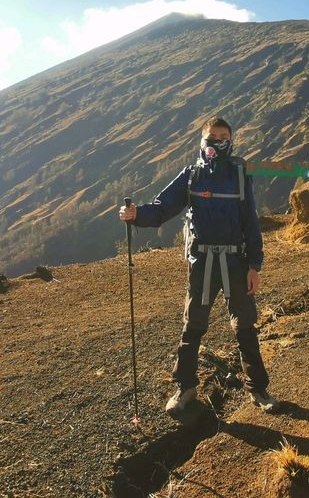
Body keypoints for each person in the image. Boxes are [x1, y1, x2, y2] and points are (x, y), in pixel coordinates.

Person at [119, 116, 278, 415]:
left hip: (236, 261)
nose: (216, 142)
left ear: (230, 142)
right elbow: (162, 207)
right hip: (202, 261)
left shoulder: (241, 176)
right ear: (202, 141)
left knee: (245, 325)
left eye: (222, 136)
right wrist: (136, 214)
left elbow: (250, 223)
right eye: (211, 136)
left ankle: (258, 388)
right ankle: (185, 386)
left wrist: (255, 265)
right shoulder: (191, 175)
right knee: (193, 325)